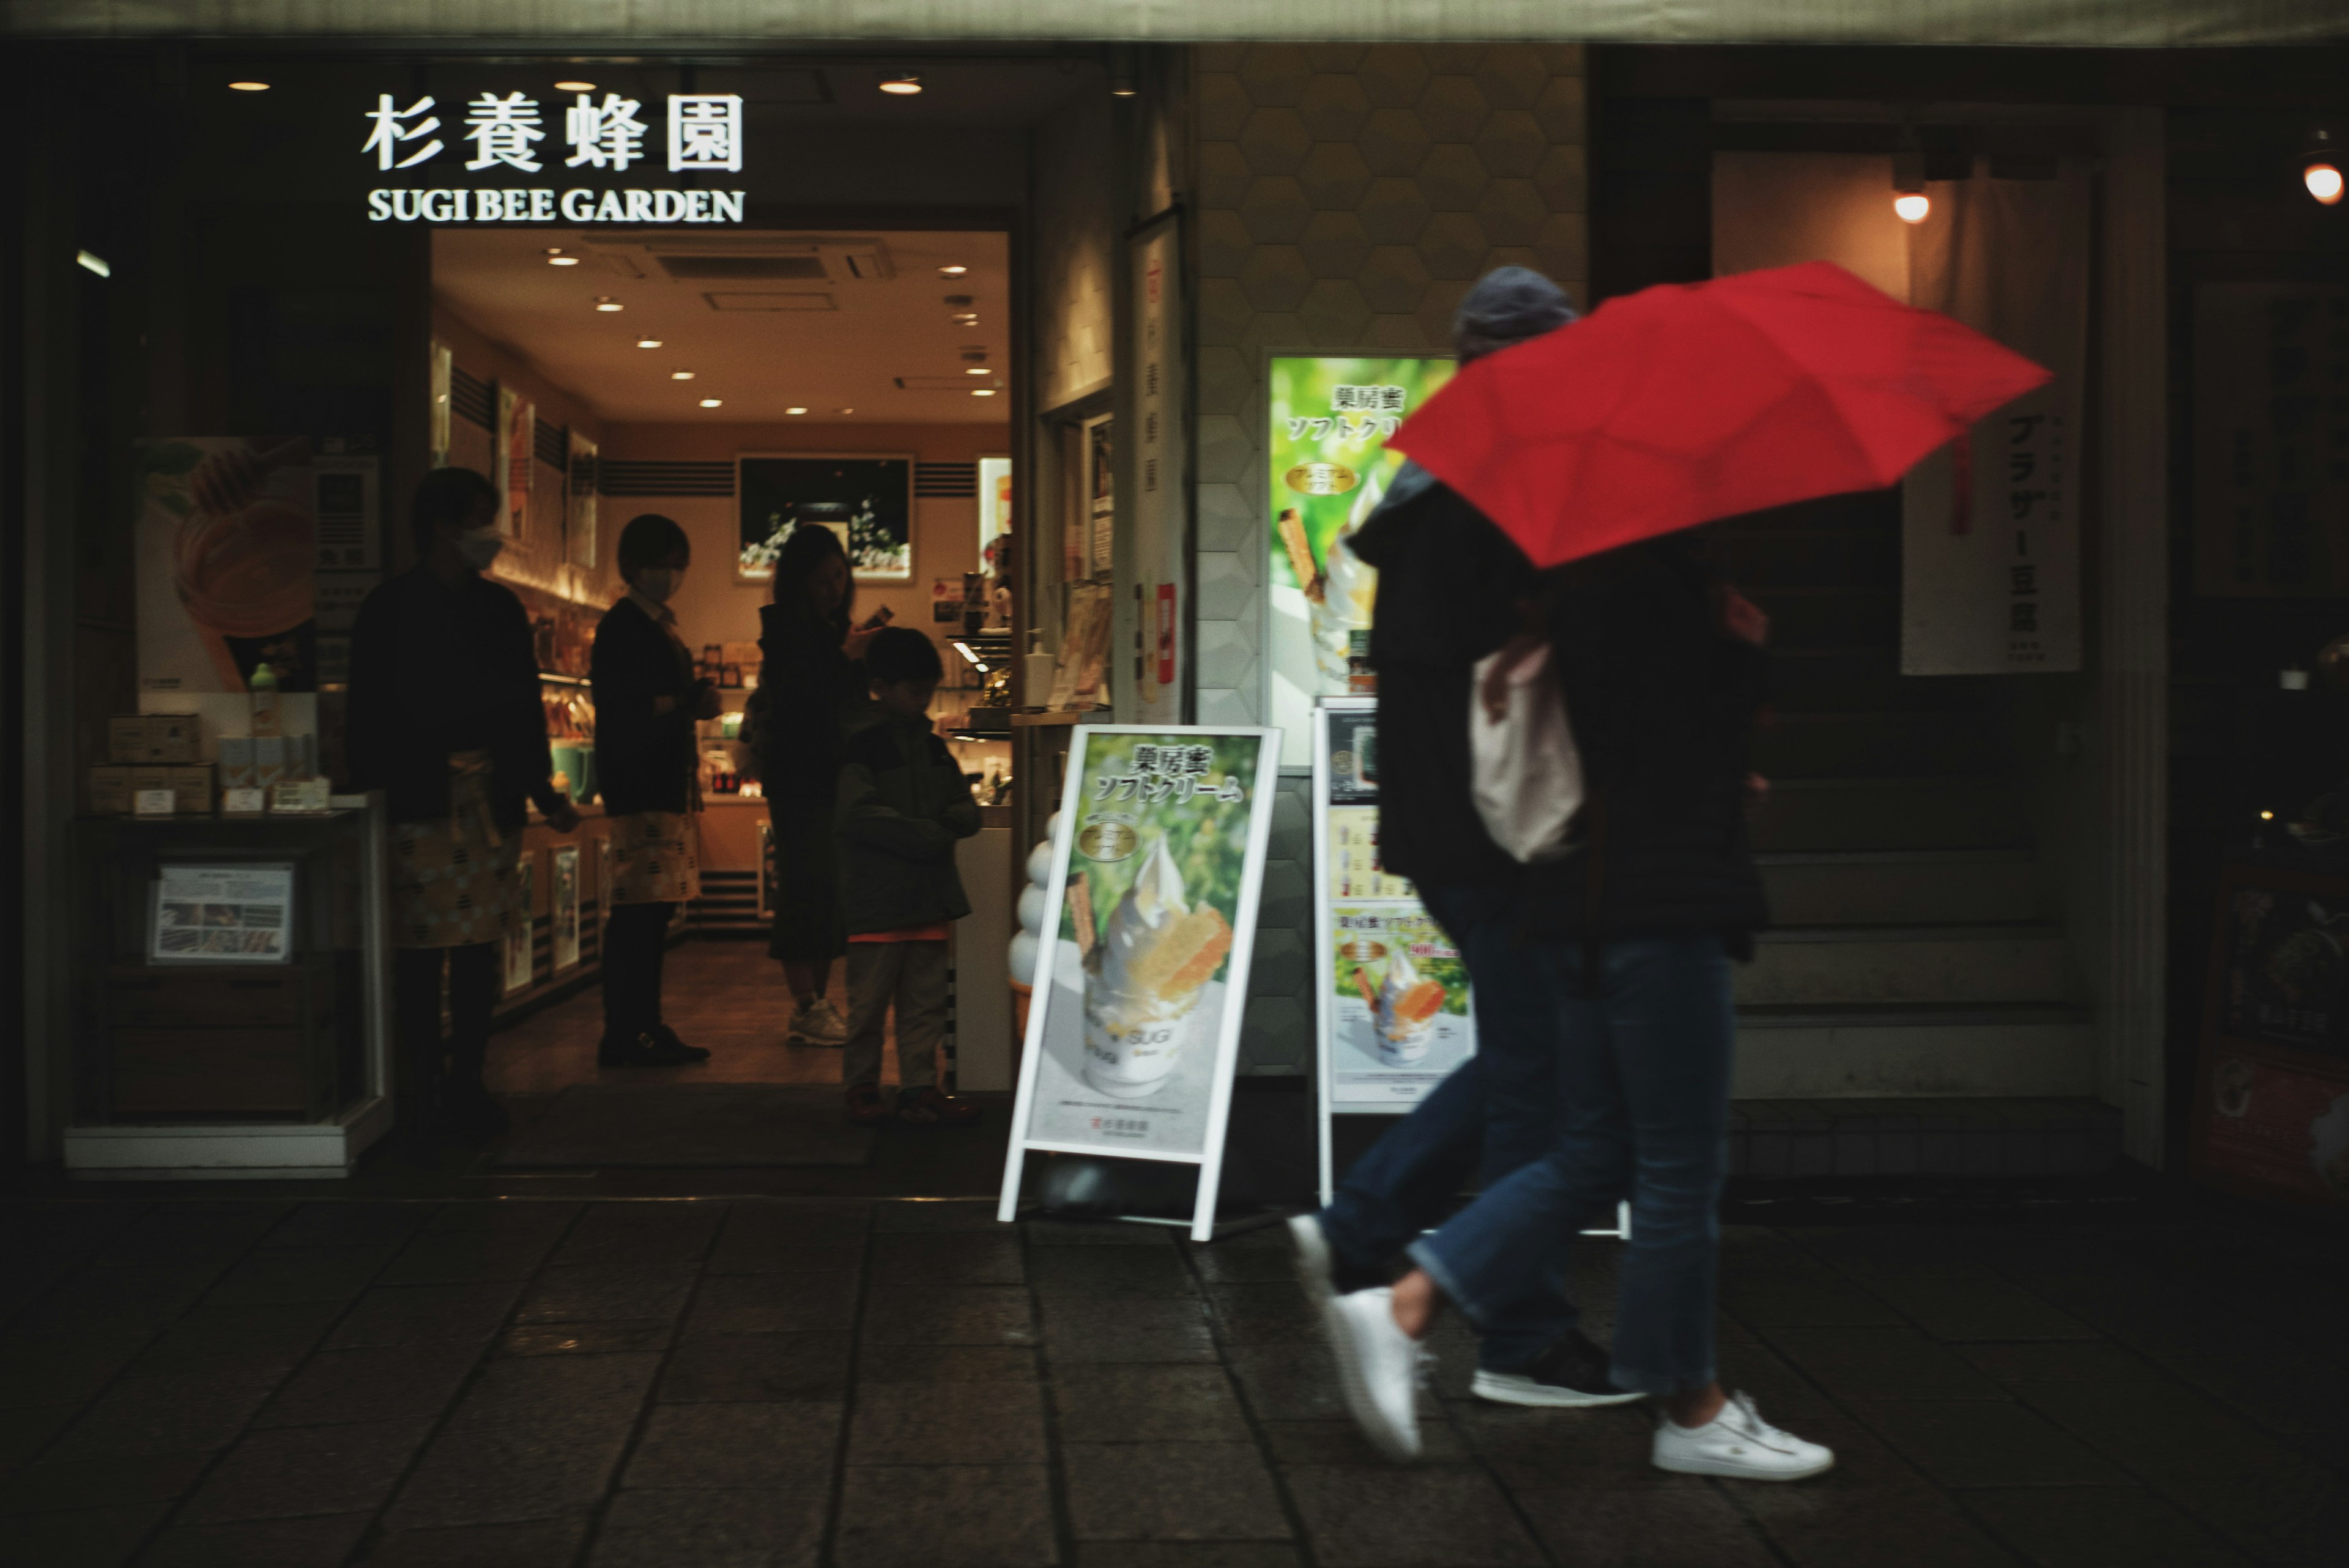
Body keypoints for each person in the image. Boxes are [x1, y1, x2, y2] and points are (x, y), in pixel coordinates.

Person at [1319, 503, 1835, 1479]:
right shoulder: (1641, 573)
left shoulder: (1552, 574)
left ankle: (1406, 1305)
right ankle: (1692, 1410)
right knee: (1678, 1165)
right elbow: (1670, 742)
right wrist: (1741, 652)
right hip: (1658, 899)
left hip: (1571, 896)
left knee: (1594, 1147)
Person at [1289, 268, 1635, 1410]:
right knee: (1543, 1071)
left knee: (1535, 1059)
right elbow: (1533, 671)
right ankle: (1506, 1322)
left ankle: (1399, 1237)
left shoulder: (1434, 486)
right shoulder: (1501, 496)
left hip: (1447, 824)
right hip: (1501, 830)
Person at [349, 467, 580, 1141]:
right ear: (445, 527)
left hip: (487, 802)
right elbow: (366, 714)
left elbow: (523, 716)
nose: (496, 536)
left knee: (479, 949)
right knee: (417, 955)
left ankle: (466, 1083)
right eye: (485, 519)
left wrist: (541, 791)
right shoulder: (389, 609)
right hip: (418, 800)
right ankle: (421, 1089)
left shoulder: (500, 609)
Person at [834, 627, 984, 1126]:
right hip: (881, 899)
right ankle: (863, 1085)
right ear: (881, 685)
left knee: (924, 1006)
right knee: (870, 1007)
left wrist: (936, 828)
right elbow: (857, 814)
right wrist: (930, 833)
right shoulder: (862, 744)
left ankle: (919, 1086)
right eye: (915, 691)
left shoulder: (933, 748)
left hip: (922, 899)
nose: (924, 702)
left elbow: (966, 809)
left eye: (928, 690)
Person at [590, 513, 718, 1068]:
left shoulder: (657, 624)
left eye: (677, 566)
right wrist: (687, 702)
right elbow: (626, 708)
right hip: (640, 788)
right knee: (638, 915)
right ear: (630, 567)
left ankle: (644, 1024)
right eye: (661, 565)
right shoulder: (624, 627)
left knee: (654, 912)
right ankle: (626, 1030)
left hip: (661, 787)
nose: (670, 576)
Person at [753, 526, 872, 1048]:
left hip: (831, 779)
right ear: (798, 581)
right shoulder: (787, 634)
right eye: (823, 580)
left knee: (826, 892)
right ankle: (807, 1003)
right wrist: (844, 658)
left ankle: (816, 1004)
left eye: (840, 578)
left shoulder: (833, 632)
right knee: (806, 887)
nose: (834, 589)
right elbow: (800, 702)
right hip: (799, 781)